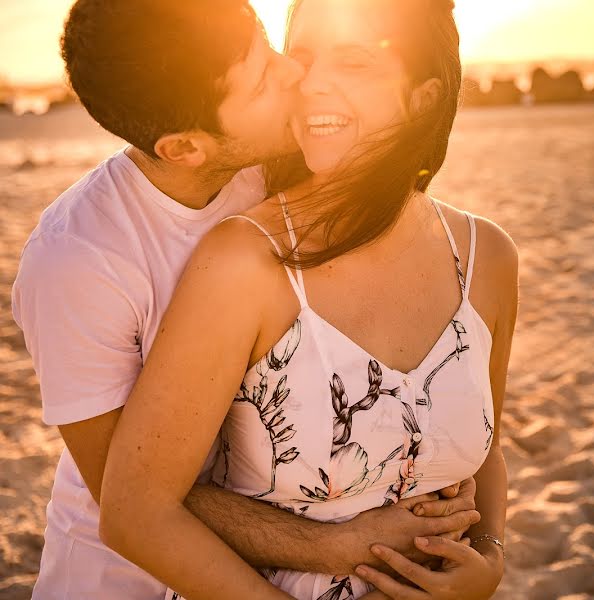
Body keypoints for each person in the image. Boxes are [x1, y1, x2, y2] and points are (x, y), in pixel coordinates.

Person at [11, 1, 478, 598]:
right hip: (126, 579)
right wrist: (329, 547)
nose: (293, 74)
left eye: (266, 43)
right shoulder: (77, 260)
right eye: (261, 80)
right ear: (185, 148)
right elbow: (122, 496)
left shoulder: (281, 167)